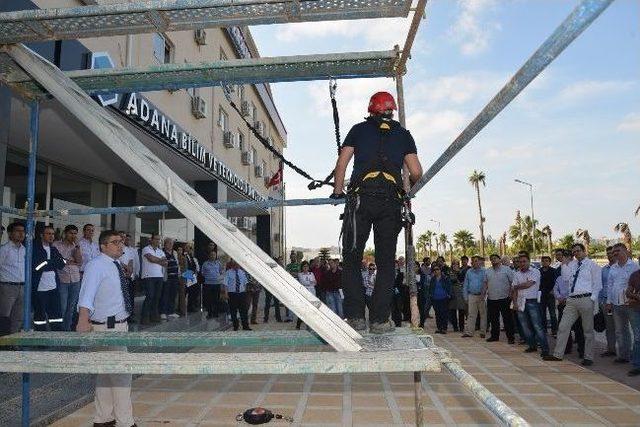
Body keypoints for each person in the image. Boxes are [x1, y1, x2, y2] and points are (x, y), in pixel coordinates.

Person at [332, 91, 423, 334]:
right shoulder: (404, 135)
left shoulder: (359, 129)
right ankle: (380, 320)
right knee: (385, 263)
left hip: (361, 200)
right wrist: (406, 192)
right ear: (391, 110)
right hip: (390, 203)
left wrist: (338, 191)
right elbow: (416, 171)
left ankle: (355, 318)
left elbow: (342, 163)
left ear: (371, 109)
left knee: (351, 259)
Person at [76, 230, 136, 427]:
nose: (120, 245)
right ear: (103, 246)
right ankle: (125, 422)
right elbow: (86, 294)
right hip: (107, 327)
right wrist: (83, 319)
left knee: (105, 374)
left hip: (117, 325)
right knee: (121, 375)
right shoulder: (96, 266)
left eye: (121, 241)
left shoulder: (115, 264)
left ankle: (103, 419)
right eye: (115, 242)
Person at [547, 243, 602, 365]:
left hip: (586, 298)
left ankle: (588, 357)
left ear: (584, 251)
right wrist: (565, 261)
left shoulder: (592, 265)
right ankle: (558, 354)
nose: (576, 253)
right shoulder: (572, 264)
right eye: (574, 252)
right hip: (571, 300)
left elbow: (597, 284)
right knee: (563, 326)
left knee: (587, 330)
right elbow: (565, 277)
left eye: (578, 251)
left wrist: (592, 299)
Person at [605, 243, 639, 364]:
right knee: (620, 331)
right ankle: (623, 356)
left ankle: (634, 357)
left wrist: (634, 299)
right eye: (613, 252)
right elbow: (610, 286)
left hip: (630, 304)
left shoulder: (634, 266)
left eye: (617, 251)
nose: (615, 254)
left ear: (625, 251)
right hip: (615, 304)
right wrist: (608, 301)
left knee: (636, 332)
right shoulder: (613, 268)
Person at [512, 253, 549, 357]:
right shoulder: (516, 274)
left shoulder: (535, 271)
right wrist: (514, 303)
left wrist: (517, 286)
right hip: (520, 302)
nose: (522, 263)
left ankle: (545, 348)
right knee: (525, 326)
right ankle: (532, 345)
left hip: (532, 301)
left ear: (529, 262)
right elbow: (514, 290)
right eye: (520, 262)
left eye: (524, 261)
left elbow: (529, 284)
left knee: (537, 326)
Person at [32, 225, 65, 331]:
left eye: (52, 234)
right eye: (48, 233)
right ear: (41, 235)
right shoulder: (35, 248)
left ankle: (57, 338)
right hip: (40, 288)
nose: (51, 236)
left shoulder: (53, 249)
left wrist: (47, 263)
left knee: (56, 316)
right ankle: (40, 342)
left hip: (54, 287)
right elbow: (36, 267)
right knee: (40, 316)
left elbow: (62, 263)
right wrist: (50, 262)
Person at [53, 224, 83, 331]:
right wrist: (68, 261)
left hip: (75, 279)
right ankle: (59, 329)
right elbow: (59, 261)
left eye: (75, 234)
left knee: (71, 308)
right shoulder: (56, 245)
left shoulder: (75, 246)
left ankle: (67, 329)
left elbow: (79, 261)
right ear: (65, 233)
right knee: (62, 306)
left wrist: (77, 247)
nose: (73, 236)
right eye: (71, 233)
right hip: (62, 279)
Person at [0, 222, 26, 335]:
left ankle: (14, 342)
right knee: (5, 315)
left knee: (18, 317)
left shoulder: (25, 249)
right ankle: (4, 342)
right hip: (7, 287)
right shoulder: (4, 249)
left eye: (23, 231)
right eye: (18, 231)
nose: (21, 234)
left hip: (22, 287)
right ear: (10, 233)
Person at [485, 254, 515, 343]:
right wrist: (483, 294)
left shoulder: (507, 269)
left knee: (507, 319)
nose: (493, 260)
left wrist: (510, 294)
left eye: (495, 258)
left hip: (504, 298)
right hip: (492, 298)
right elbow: (485, 283)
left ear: (499, 260)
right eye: (491, 259)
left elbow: (512, 283)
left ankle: (510, 338)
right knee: (494, 319)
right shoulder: (488, 271)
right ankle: (494, 336)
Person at [140, 233, 167, 324]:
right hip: (149, 277)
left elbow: (165, 263)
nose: (157, 241)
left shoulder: (161, 251)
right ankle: (144, 317)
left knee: (157, 297)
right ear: (151, 240)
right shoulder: (146, 249)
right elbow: (151, 259)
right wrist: (160, 260)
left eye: (159, 239)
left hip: (159, 276)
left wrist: (157, 260)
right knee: (150, 296)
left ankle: (154, 316)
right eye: (156, 239)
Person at [462, 256, 487, 338]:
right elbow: (465, 285)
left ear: (480, 262)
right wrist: (465, 297)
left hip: (482, 295)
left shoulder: (485, 271)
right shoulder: (469, 272)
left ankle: (483, 332)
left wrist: (484, 295)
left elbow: (487, 283)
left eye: (476, 261)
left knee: (483, 314)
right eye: (473, 261)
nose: (474, 263)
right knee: (471, 315)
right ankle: (469, 332)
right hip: (471, 295)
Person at [599, 246, 617, 357]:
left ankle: (625, 352)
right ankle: (611, 349)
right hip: (606, 302)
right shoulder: (604, 269)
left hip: (619, 302)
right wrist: (600, 301)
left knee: (620, 328)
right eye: (608, 253)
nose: (610, 255)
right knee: (609, 327)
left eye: (612, 253)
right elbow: (600, 286)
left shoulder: (620, 268)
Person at [223, 260, 250, 331]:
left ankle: (245, 326)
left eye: (238, 264)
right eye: (236, 264)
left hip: (241, 294)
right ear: (233, 265)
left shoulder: (242, 272)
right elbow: (225, 284)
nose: (237, 266)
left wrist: (246, 293)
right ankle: (235, 326)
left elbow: (245, 283)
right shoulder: (228, 273)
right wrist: (226, 294)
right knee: (233, 311)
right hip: (232, 294)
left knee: (243, 311)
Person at [160, 238, 180, 320]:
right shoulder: (161, 252)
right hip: (166, 277)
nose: (171, 245)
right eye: (169, 243)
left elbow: (177, 263)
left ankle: (171, 311)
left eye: (172, 243)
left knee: (173, 295)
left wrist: (179, 273)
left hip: (175, 277)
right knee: (165, 295)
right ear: (165, 244)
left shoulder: (174, 252)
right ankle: (163, 312)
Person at [539, 255, 558, 337]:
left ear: (550, 262)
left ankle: (554, 331)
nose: (545, 262)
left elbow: (556, 282)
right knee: (542, 314)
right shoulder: (538, 271)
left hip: (550, 295)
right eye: (543, 261)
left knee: (553, 314)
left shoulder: (554, 271)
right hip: (541, 295)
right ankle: (544, 330)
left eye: (546, 261)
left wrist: (553, 291)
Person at [626, 269, 640, 376]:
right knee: (637, 338)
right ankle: (637, 365)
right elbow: (628, 292)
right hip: (636, 310)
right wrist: (636, 297)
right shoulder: (634, 275)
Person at [201, 250, 223, 319]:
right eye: (211, 255)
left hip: (217, 284)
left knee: (216, 299)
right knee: (208, 299)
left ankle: (216, 313)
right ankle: (210, 313)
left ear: (216, 256)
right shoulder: (205, 264)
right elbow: (203, 273)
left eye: (214, 255)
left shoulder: (218, 263)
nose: (213, 256)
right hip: (208, 284)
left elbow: (220, 271)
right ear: (209, 256)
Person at [429, 265, 451, 334]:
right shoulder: (433, 279)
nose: (436, 271)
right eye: (434, 270)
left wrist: (448, 295)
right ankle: (439, 328)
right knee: (437, 314)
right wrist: (431, 295)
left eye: (437, 269)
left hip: (444, 298)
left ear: (440, 270)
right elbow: (430, 288)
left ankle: (444, 328)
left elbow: (449, 287)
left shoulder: (445, 278)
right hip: (435, 298)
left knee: (444, 313)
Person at [296, 261, 317, 329]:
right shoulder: (300, 274)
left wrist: (310, 282)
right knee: (303, 309)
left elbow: (315, 283)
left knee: (311, 309)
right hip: (304, 293)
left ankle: (309, 325)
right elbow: (303, 282)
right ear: (302, 267)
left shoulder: (311, 273)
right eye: (304, 266)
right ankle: (298, 324)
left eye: (307, 266)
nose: (305, 268)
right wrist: (310, 282)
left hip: (311, 293)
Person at [264, 256, 284, 323]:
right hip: (269, 288)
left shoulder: (279, 268)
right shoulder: (267, 269)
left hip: (276, 288)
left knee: (276, 304)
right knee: (267, 303)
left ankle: (278, 318)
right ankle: (265, 318)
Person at [448, 260, 466, 332]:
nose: (455, 265)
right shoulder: (449, 272)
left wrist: (458, 272)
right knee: (453, 311)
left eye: (457, 264)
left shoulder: (462, 271)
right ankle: (455, 327)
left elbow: (462, 280)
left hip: (460, 293)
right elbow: (450, 281)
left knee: (461, 311)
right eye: (454, 264)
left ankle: (462, 327)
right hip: (452, 293)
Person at [183, 243, 200, 313]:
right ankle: (184, 307)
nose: (190, 249)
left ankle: (192, 306)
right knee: (186, 292)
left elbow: (197, 267)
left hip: (193, 276)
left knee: (194, 291)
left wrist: (195, 273)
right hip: (187, 275)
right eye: (188, 248)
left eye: (191, 248)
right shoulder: (184, 256)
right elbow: (184, 267)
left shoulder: (193, 258)